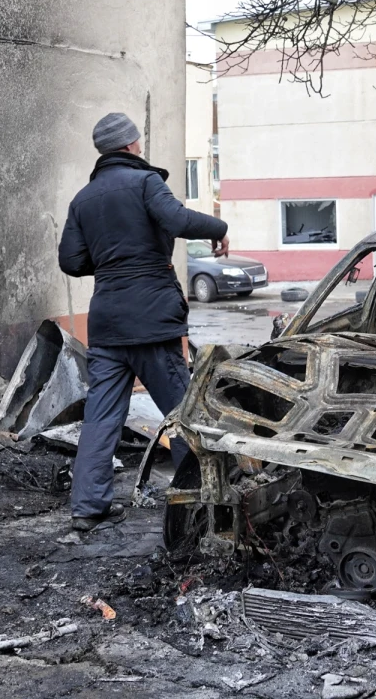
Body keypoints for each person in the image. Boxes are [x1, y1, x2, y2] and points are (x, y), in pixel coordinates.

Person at [58, 112, 229, 531]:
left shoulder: (83, 199)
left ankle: (86, 508)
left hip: (107, 325)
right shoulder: (145, 182)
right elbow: (177, 219)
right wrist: (219, 227)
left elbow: (71, 260)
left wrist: (111, 258)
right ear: (132, 145)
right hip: (151, 320)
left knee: (101, 417)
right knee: (184, 411)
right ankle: (203, 502)